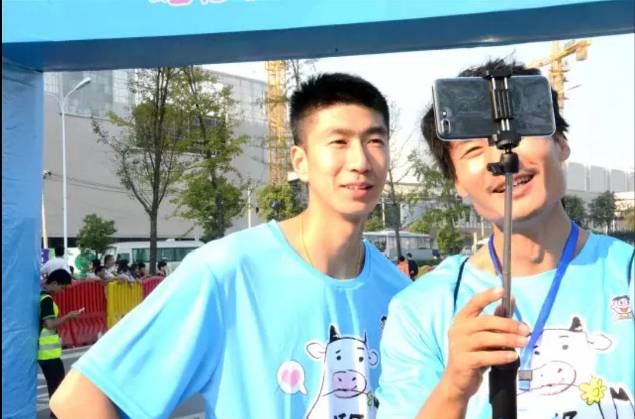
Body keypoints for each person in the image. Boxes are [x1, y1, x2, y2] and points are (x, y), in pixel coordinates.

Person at [51, 73, 410, 418]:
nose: (360, 162)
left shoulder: (401, 296)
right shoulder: (228, 271)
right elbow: (80, 398)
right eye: (339, 142)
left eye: (374, 141)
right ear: (300, 161)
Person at [376, 59, 635, 419]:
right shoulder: (421, 309)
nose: (503, 157)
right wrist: (455, 385)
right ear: (456, 181)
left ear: (561, 144)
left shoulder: (627, 276)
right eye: (473, 150)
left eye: (519, 133)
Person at [39, 269, 83, 418]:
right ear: (54, 283)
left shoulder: (41, 295)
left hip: (46, 352)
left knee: (55, 386)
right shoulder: (46, 299)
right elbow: (49, 324)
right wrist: (69, 316)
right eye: (62, 287)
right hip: (47, 353)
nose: (62, 291)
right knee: (57, 387)